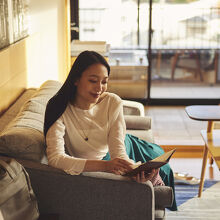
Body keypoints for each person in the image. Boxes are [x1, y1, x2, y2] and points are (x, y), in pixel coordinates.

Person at [44, 50, 177, 211]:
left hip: (121, 146)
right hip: (103, 161)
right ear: (76, 79)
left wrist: (133, 171)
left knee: (162, 167)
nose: (99, 88)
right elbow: (55, 158)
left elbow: (118, 153)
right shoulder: (58, 108)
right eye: (93, 80)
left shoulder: (112, 102)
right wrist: (106, 166)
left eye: (104, 82)